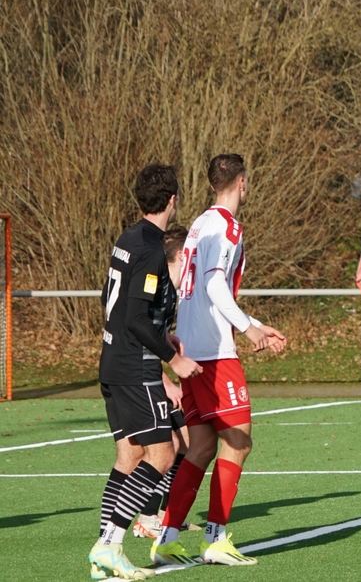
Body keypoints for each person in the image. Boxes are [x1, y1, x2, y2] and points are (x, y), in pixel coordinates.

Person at [152, 154, 286, 566]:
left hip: (190, 352)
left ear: (213, 184)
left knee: (202, 447)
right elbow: (213, 285)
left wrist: (256, 324)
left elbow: (203, 291)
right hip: (214, 355)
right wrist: (247, 329)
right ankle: (215, 537)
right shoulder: (227, 227)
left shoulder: (198, 224)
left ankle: (167, 538)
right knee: (239, 442)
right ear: (242, 182)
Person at [89, 165, 202, 581]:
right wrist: (172, 359)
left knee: (129, 456)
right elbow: (137, 318)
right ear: (173, 200)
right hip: (135, 369)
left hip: (112, 361)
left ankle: (103, 552)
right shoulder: (153, 249)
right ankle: (111, 545)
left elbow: (112, 298)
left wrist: (161, 334)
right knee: (163, 454)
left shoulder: (127, 238)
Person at [133, 227, 198, 540]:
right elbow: (137, 337)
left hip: (153, 374)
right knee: (164, 447)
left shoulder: (172, 290)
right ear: (182, 255)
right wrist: (166, 380)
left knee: (185, 441)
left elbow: (156, 336)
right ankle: (145, 518)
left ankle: (163, 514)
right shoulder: (156, 287)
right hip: (137, 376)